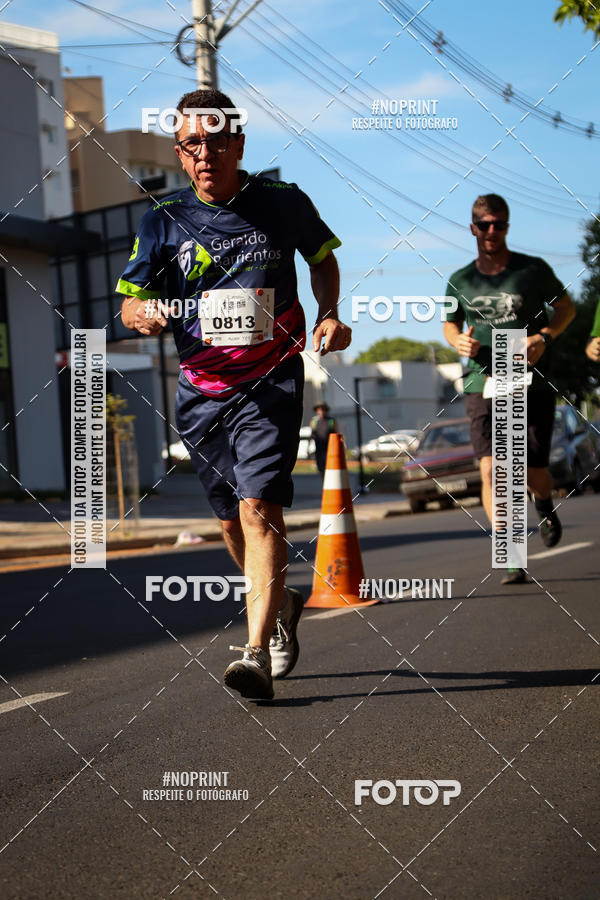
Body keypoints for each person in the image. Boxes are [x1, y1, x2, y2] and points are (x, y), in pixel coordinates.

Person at [117, 89, 351, 699]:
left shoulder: (282, 202)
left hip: (270, 377)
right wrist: (140, 314)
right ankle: (282, 603)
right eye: (192, 144)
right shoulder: (161, 218)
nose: (205, 154)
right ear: (179, 152)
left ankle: (254, 654)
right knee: (229, 523)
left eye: (216, 141)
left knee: (259, 510)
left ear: (239, 144)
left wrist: (329, 311)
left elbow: (322, 258)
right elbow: (129, 299)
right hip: (200, 389)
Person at [443, 194, 576, 585]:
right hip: (481, 378)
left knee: (531, 471)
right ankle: (510, 549)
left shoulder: (532, 270)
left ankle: (544, 501)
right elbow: (450, 324)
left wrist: (545, 338)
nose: (491, 231)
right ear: (472, 228)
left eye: (498, 224)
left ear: (507, 227)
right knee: (491, 470)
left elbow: (566, 308)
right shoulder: (460, 279)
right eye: (483, 224)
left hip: (527, 377)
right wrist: (457, 342)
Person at [310, 402, 338, 476]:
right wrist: (308, 448)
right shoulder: (314, 421)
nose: (321, 411)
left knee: (330, 470)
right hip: (319, 450)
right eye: (319, 409)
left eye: (323, 409)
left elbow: (336, 434)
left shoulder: (331, 421)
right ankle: (324, 486)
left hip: (329, 450)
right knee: (322, 470)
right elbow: (312, 434)